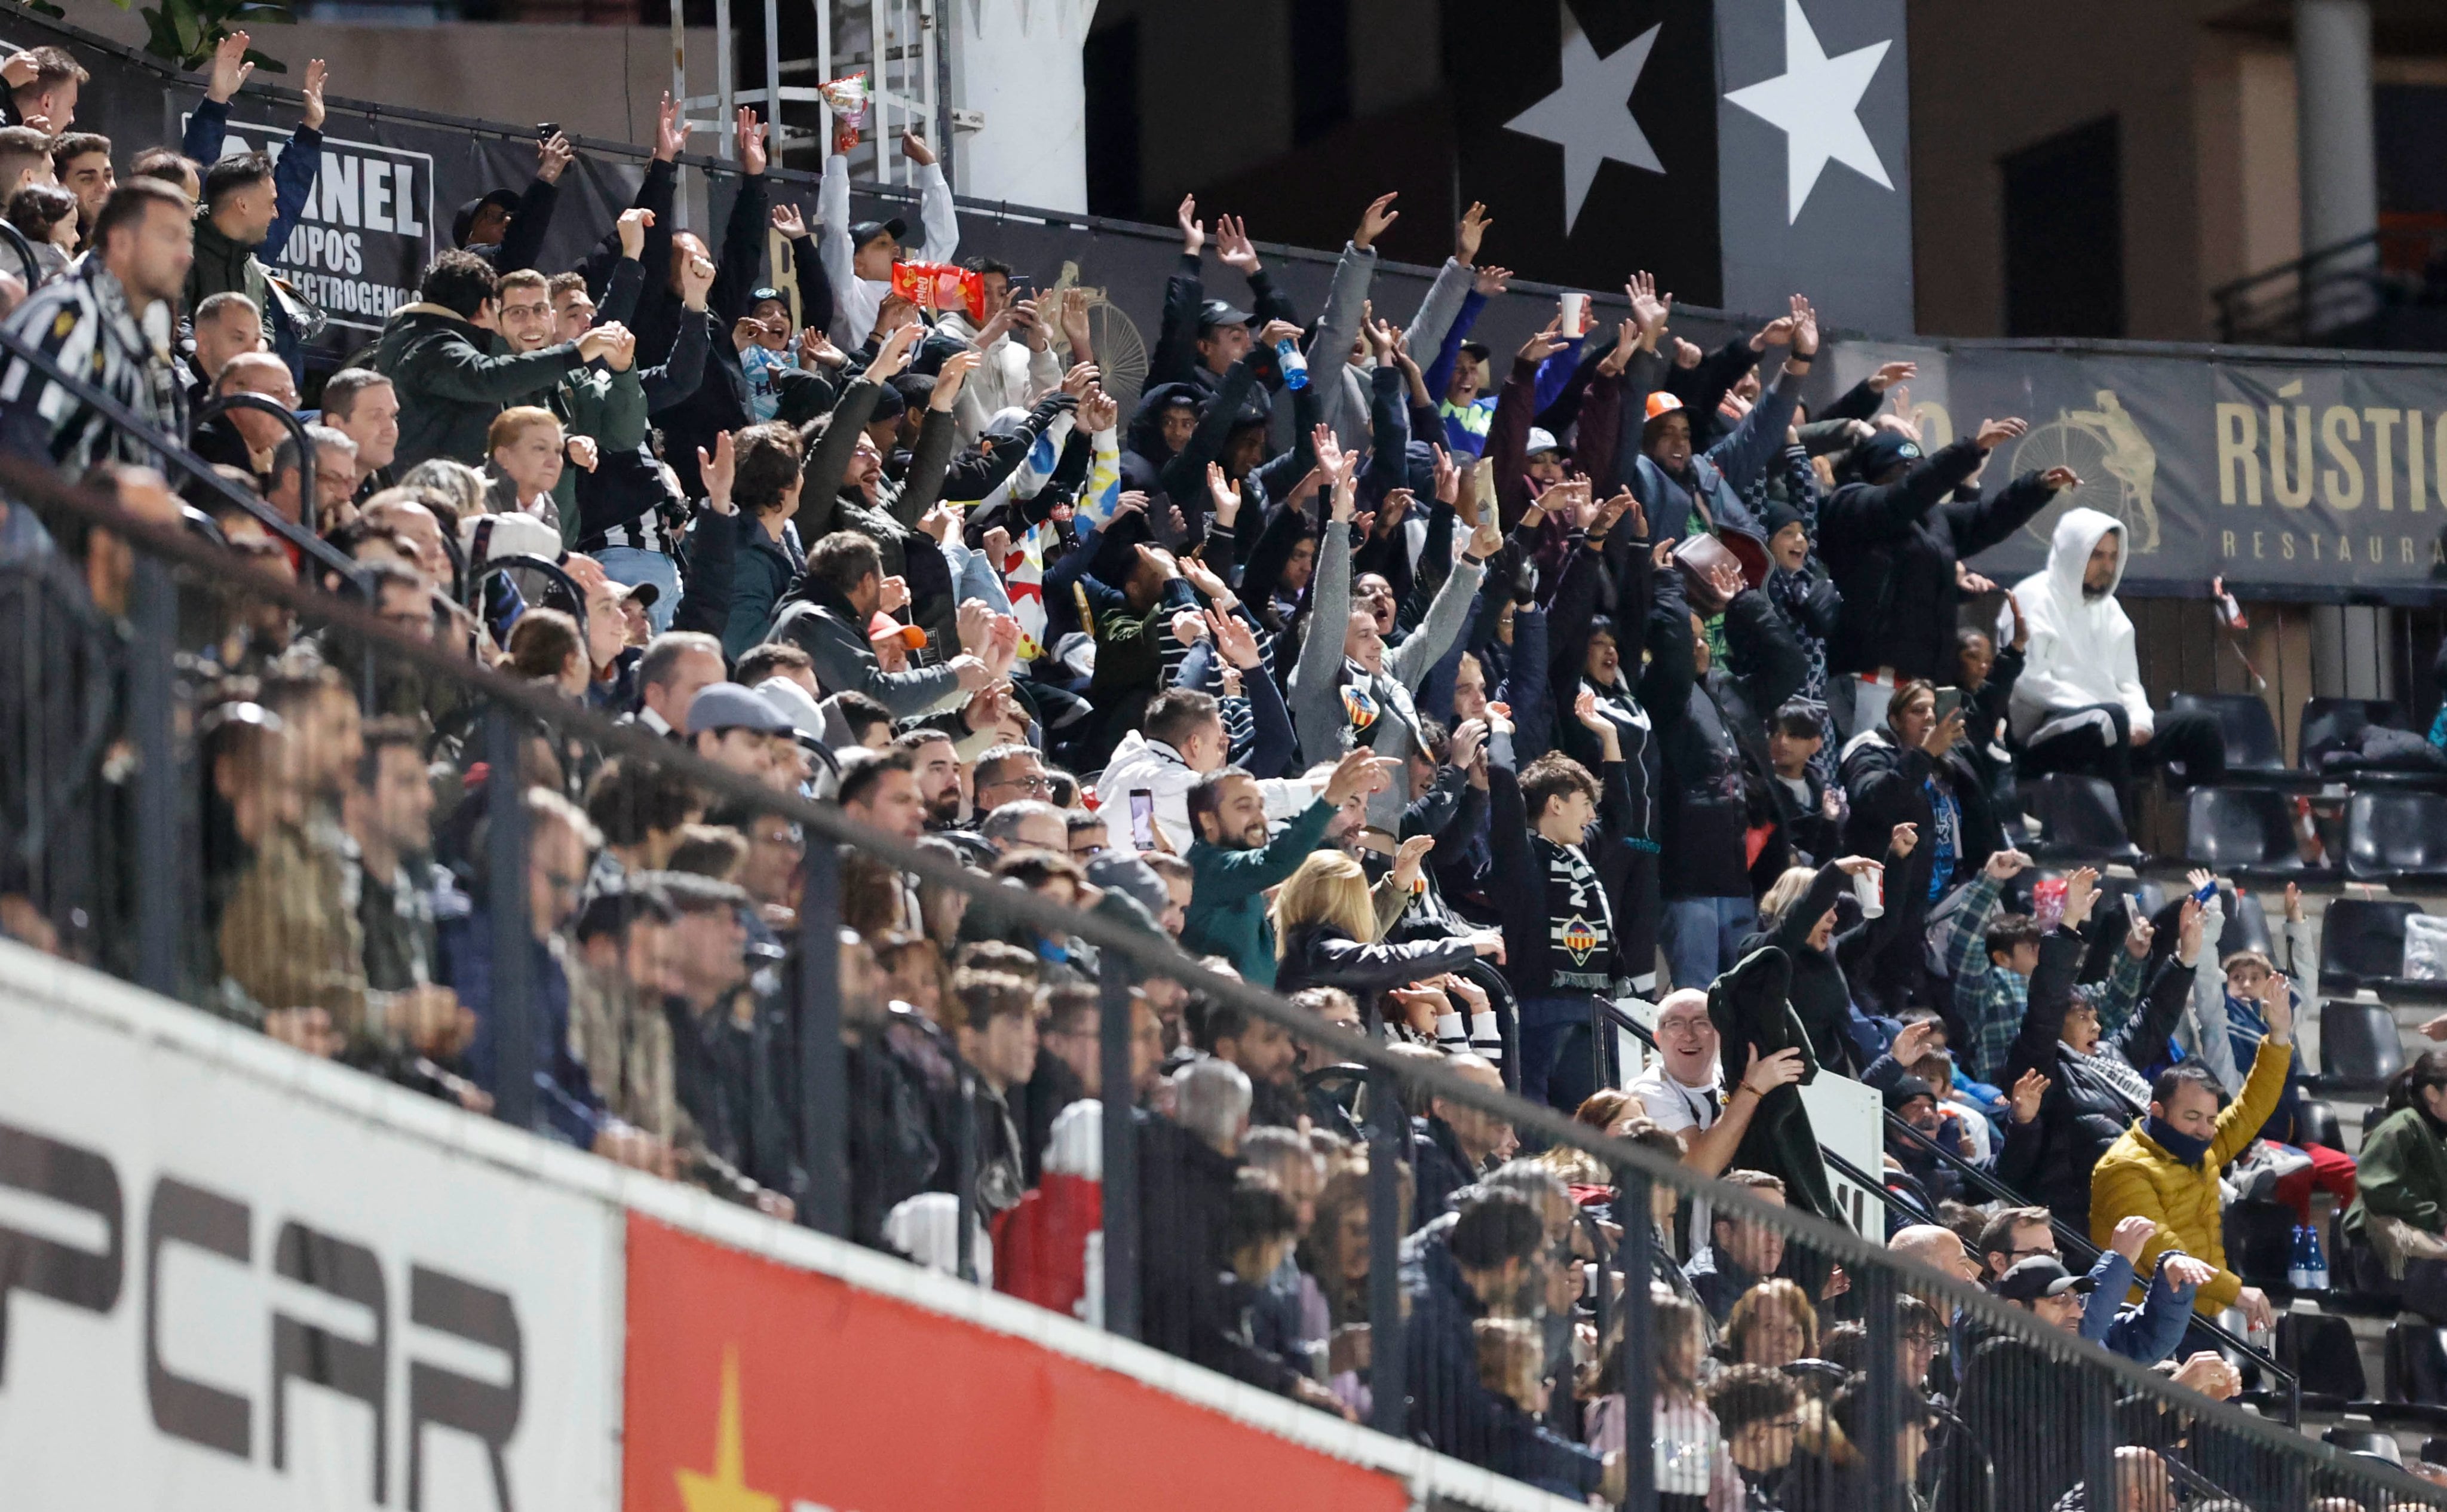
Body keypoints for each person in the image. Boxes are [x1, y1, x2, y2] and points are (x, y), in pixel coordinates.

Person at [1816, 416, 2072, 743]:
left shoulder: (1933, 520)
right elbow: (1905, 495)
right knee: (1871, 780)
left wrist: (2036, 488)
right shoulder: (1851, 504)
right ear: (1874, 470)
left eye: (1917, 465)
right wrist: (1970, 450)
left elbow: (1986, 518)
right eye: (1900, 467)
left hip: (1925, 691)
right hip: (1869, 683)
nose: (1910, 473)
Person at [2089, 977, 2293, 1331]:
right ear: (2157, 1111)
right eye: (2193, 1117)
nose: (2204, 1129)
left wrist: (2278, 1037)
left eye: (2211, 1119)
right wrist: (2236, 1292)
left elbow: (2251, 1109)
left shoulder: (2202, 1146)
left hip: (2198, 1314)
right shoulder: (2124, 1167)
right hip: (2141, 1321)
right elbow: (2162, 1248)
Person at [2007, 507, 2226, 801]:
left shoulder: (2110, 610)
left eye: (2113, 556)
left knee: (2203, 729)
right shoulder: (2032, 598)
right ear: (2074, 553)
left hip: (2114, 727)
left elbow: (2128, 683)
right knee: (2109, 718)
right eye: (2097, 556)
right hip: (2045, 735)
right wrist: (2106, 712)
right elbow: (2030, 683)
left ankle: (2206, 832)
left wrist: (2140, 721)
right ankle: (2122, 841)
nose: (2107, 566)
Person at [0, 178, 193, 470]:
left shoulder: (147, 328)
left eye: (187, 239)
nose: (186, 256)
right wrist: (110, 507)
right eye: (170, 237)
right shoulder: (68, 311)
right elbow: (12, 448)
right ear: (121, 243)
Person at [1183, 747, 1381, 986]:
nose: (1260, 817)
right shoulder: (1208, 866)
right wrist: (1330, 798)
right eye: (1245, 807)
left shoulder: (1240, 876)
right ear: (1208, 820)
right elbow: (1274, 861)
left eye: (1261, 807)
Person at [2341, 1051, 2447, 1314]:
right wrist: (2438, 1220)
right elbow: (2380, 1191)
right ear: (2433, 1093)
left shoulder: (2440, 1136)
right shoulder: (2402, 1126)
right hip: (2382, 1259)